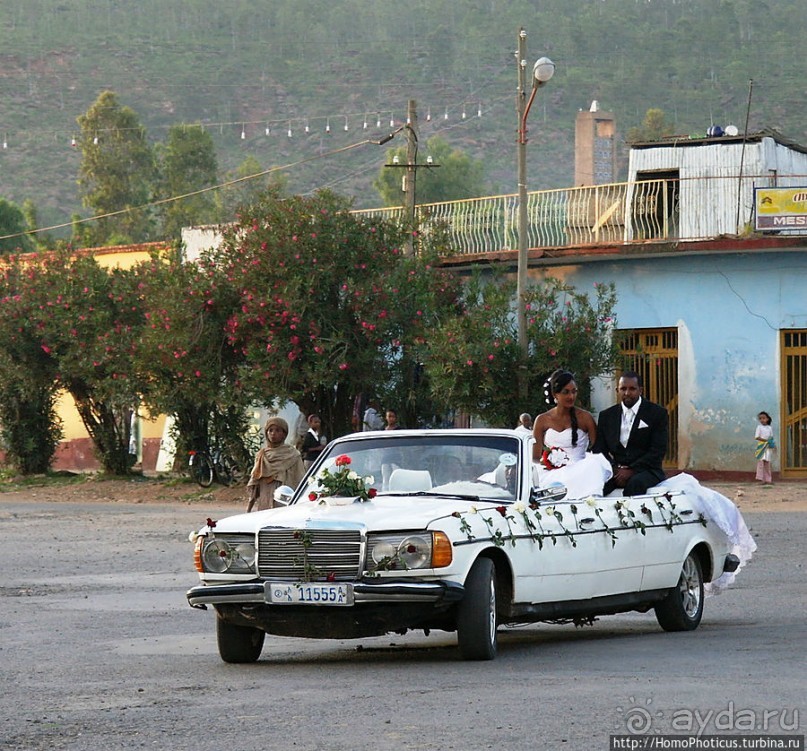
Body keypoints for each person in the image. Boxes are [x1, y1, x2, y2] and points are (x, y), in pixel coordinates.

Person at [531, 369, 612, 498]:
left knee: (594, 464)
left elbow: (598, 449)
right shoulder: (542, 420)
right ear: (555, 394)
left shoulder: (585, 418)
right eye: (566, 392)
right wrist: (548, 461)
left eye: (574, 392)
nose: (571, 397)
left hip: (579, 470)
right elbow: (534, 457)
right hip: (552, 472)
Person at [592, 371, 668, 496]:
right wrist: (615, 469)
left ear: (640, 390)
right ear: (617, 390)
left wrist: (632, 470)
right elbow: (599, 449)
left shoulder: (657, 413)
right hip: (616, 471)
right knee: (596, 486)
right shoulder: (607, 416)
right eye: (623, 389)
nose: (627, 393)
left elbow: (658, 450)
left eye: (632, 389)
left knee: (635, 484)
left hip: (647, 470)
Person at [246, 417, 305, 512]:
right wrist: (249, 507)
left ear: (284, 434)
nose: (273, 433)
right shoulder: (262, 455)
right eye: (270, 430)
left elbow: (299, 478)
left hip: (284, 497)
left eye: (278, 430)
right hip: (265, 494)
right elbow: (255, 479)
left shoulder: (293, 454)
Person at [754, 411, 776, 484]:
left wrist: (773, 445)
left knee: (767, 463)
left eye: (764, 418)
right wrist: (766, 441)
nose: (762, 420)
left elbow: (771, 438)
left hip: (768, 447)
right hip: (761, 447)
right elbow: (757, 437)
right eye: (760, 418)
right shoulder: (759, 427)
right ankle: (761, 479)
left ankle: (768, 479)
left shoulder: (769, 428)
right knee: (761, 463)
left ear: (767, 419)